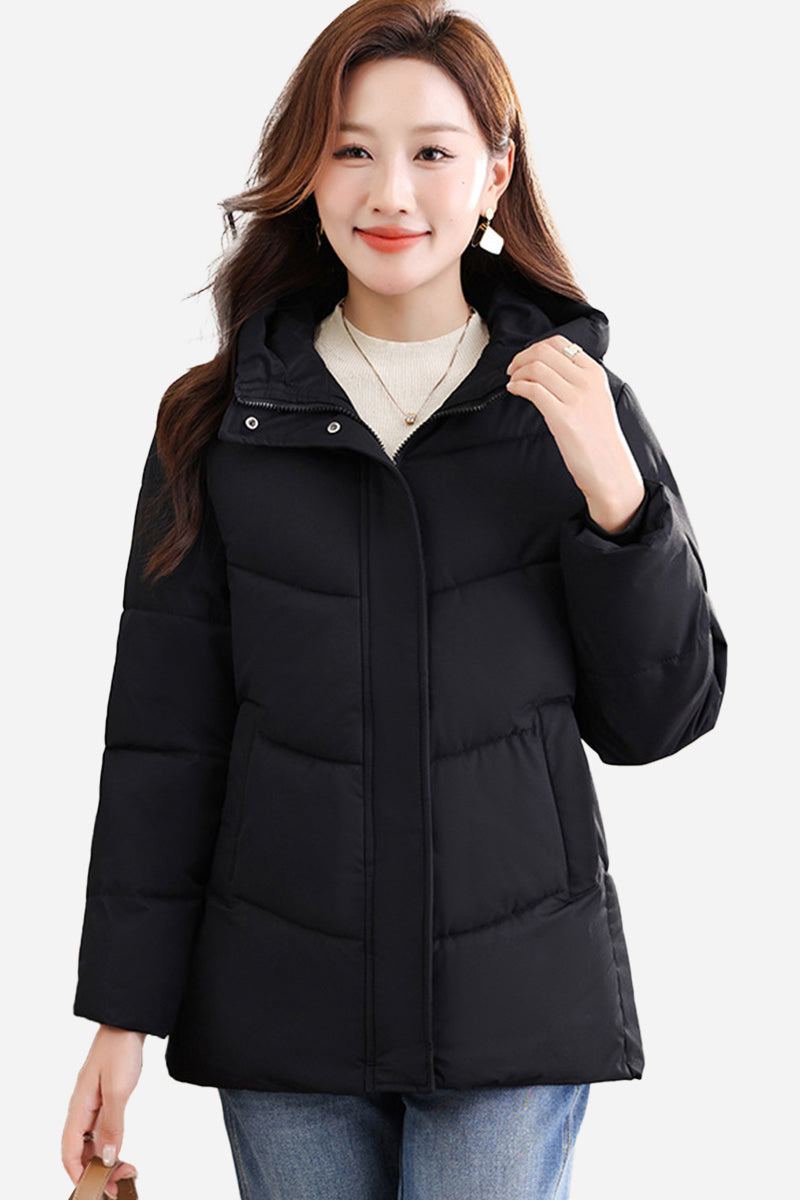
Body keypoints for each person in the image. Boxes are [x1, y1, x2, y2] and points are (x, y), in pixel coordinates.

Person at [62, 2, 728, 1197]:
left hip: (511, 1009)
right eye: (351, 149)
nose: (390, 192)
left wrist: (618, 501)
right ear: (307, 171)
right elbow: (163, 743)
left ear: (493, 175)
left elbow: (659, 718)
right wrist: (120, 1017)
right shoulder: (222, 423)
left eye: (431, 151)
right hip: (281, 1008)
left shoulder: (573, 407)